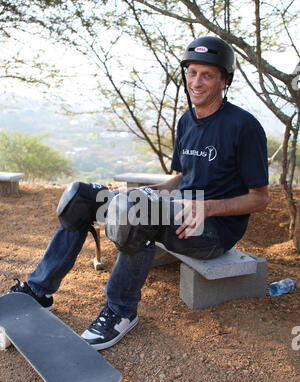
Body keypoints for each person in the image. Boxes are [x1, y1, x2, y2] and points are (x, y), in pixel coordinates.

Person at [7, 36, 269, 350]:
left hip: (213, 229)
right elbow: (184, 177)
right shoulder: (187, 121)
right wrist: (141, 191)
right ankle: (39, 291)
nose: (196, 82)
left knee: (136, 215)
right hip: (177, 209)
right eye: (192, 73)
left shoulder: (244, 126)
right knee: (80, 199)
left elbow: (260, 198)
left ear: (224, 80)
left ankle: (121, 311)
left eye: (207, 75)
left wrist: (207, 208)